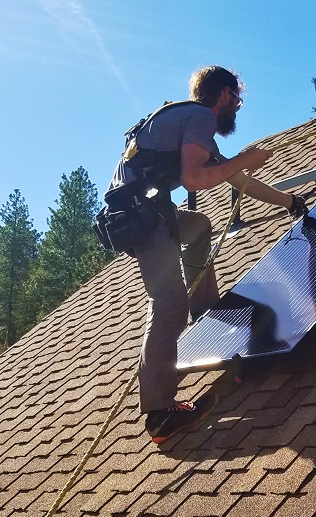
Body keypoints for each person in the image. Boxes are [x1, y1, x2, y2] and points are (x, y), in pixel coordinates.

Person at [104, 65, 304, 444]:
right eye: (237, 100)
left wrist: (289, 201)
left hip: (143, 213)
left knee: (197, 226)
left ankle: (205, 307)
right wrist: (245, 158)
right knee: (167, 303)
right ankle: (160, 413)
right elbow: (197, 179)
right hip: (139, 219)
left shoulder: (186, 121)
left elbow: (237, 180)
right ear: (224, 94)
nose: (238, 108)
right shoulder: (199, 117)